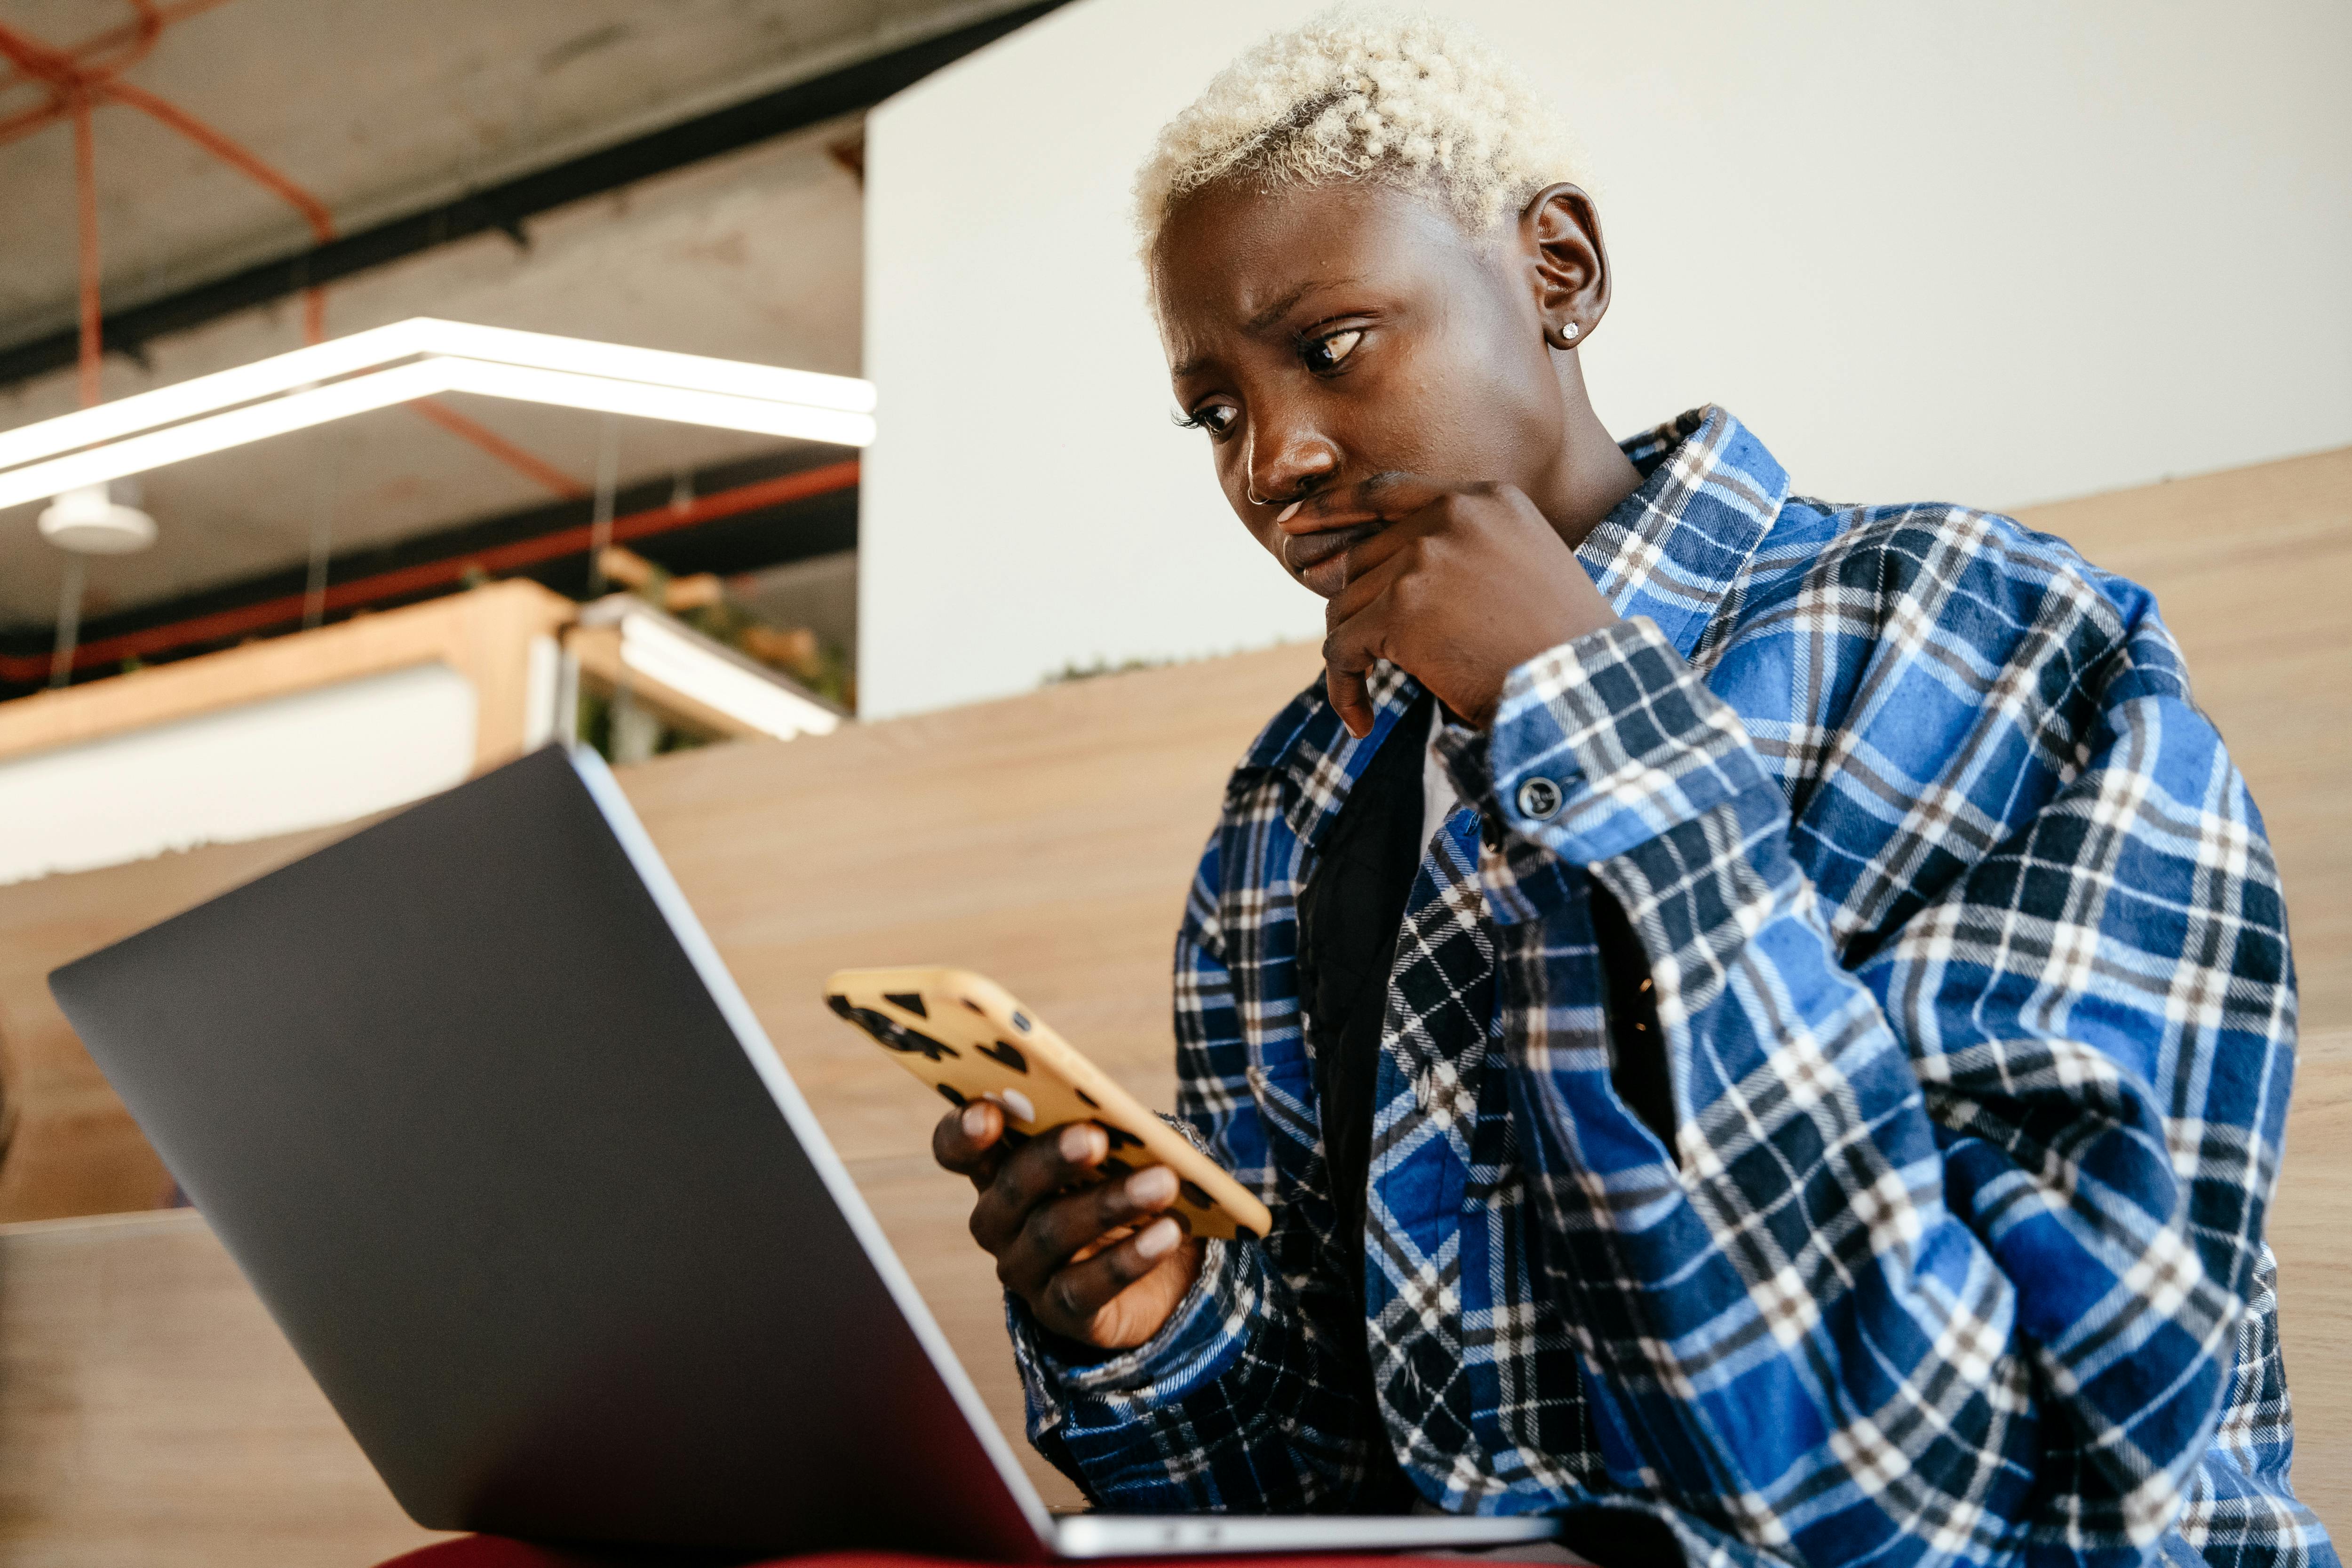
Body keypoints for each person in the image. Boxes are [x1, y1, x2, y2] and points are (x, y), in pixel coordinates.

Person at [929, 12, 2329, 1567]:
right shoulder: (1292, 812)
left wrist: (1590, 717)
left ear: (1560, 272)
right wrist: (1161, 1326)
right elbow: (1332, 1510)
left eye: (1331, 348)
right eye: (1213, 411)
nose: (1271, 460)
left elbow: (1980, 1476)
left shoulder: (1985, 639)